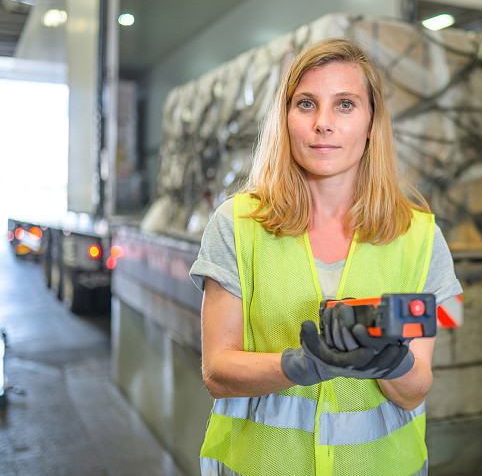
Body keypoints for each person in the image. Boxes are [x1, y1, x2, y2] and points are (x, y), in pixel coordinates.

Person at [190, 38, 463, 476]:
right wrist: (300, 365)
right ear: (285, 118)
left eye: (345, 105)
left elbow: (415, 390)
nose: (323, 124)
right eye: (305, 104)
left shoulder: (418, 238)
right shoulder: (238, 224)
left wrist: (392, 363)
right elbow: (217, 371)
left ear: (372, 121)